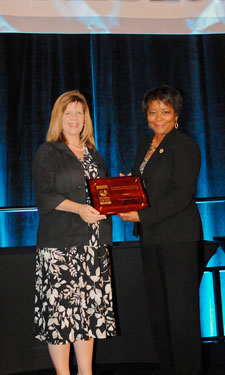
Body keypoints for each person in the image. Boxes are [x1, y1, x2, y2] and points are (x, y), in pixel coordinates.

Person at [119, 84, 203, 375]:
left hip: (178, 239)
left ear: (176, 114)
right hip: (152, 238)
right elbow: (143, 187)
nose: (158, 117)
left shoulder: (185, 145)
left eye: (165, 112)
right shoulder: (145, 145)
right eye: (152, 111)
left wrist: (142, 217)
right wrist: (124, 187)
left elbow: (181, 195)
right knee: (159, 313)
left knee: (181, 315)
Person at [32, 90, 116, 375]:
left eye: (80, 113)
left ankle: (86, 372)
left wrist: (119, 196)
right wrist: (79, 209)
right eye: (68, 113)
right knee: (61, 316)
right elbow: (44, 196)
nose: (75, 118)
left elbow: (102, 194)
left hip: (93, 246)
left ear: (86, 119)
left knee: (88, 316)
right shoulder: (48, 152)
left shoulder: (94, 154)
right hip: (60, 247)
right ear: (59, 117)